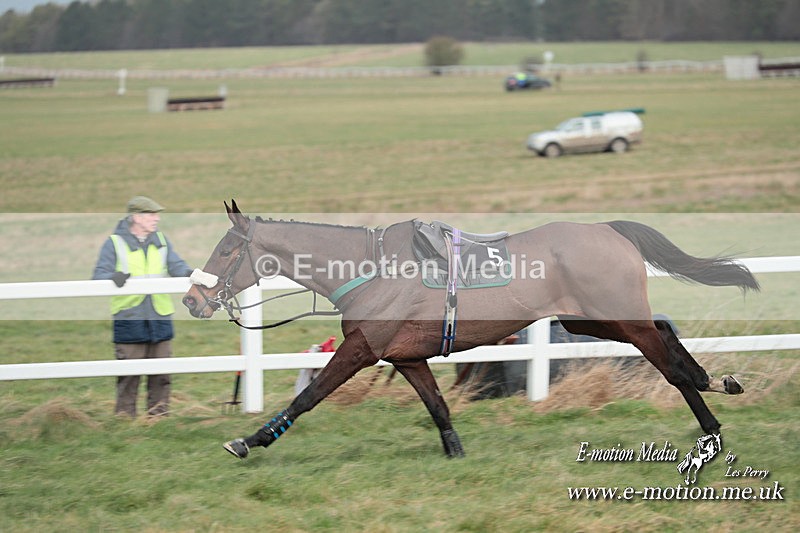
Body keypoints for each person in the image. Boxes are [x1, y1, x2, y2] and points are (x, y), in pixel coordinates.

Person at [92, 196, 192, 418]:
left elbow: (177, 266)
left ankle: (158, 419)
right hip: (130, 318)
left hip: (160, 317)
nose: (157, 219)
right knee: (129, 376)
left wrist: (192, 274)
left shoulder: (162, 241)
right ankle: (125, 421)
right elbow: (99, 275)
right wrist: (114, 278)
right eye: (151, 214)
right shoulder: (115, 243)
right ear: (136, 217)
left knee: (162, 375)